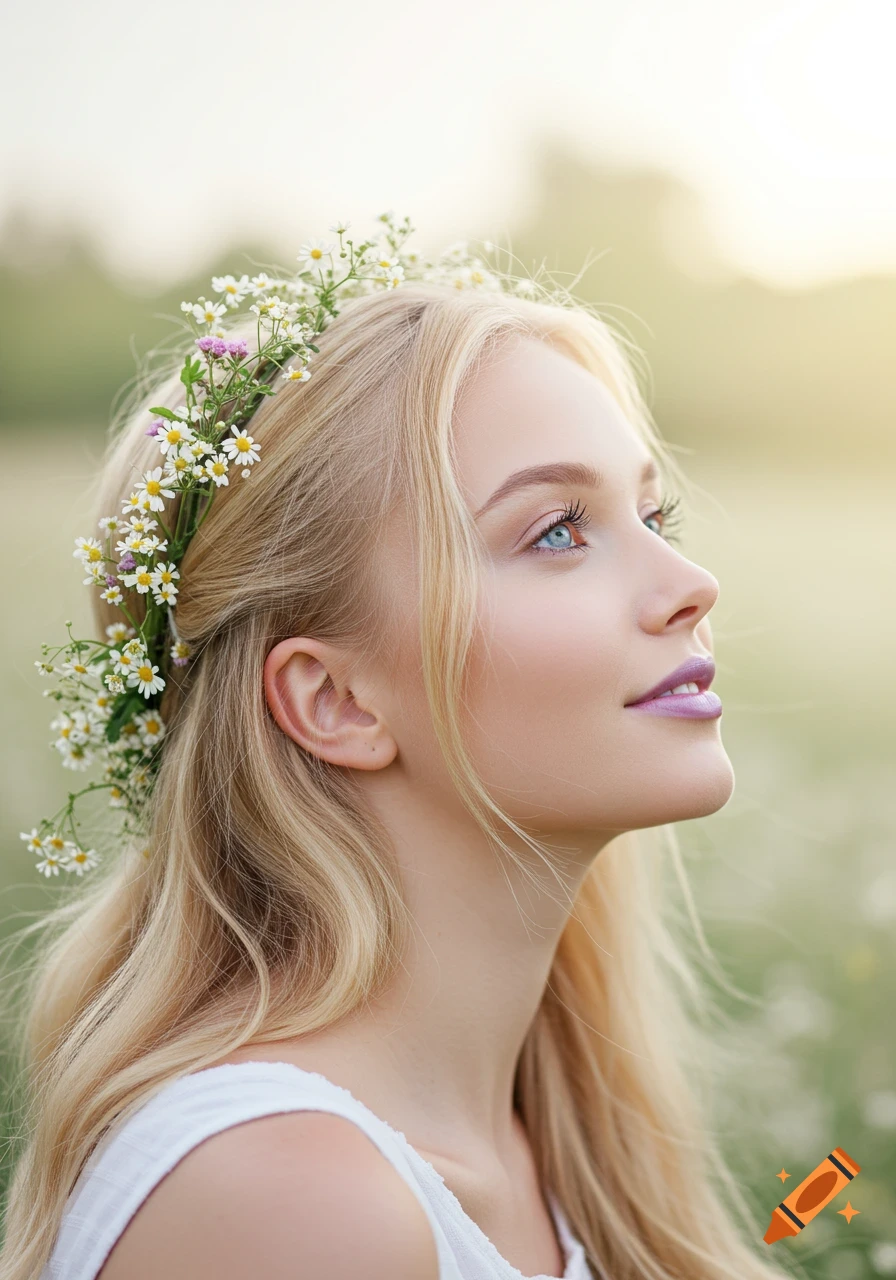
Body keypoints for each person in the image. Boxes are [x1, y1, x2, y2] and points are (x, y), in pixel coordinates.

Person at [0, 222, 793, 1280]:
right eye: (556, 529)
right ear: (332, 698)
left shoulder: (549, 1144)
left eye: (653, 512)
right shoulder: (285, 1202)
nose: (689, 584)